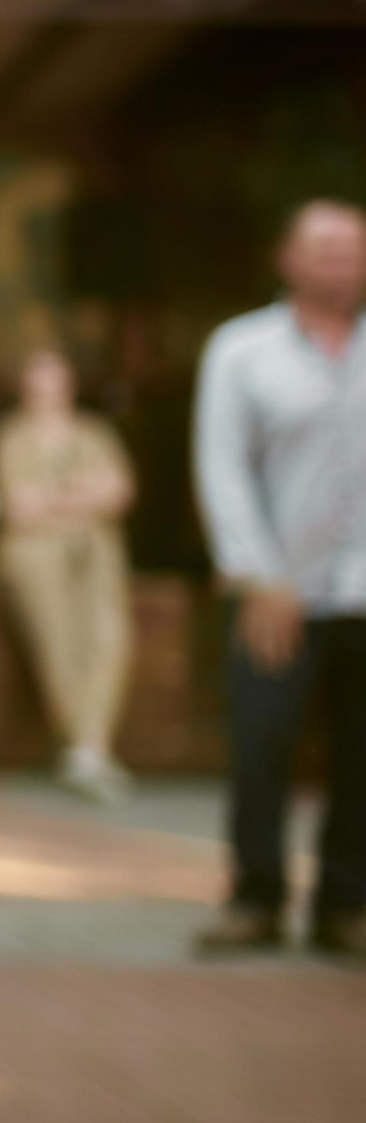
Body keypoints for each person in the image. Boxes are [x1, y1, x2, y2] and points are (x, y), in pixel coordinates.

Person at [191, 199, 366, 960]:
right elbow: (222, 467)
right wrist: (259, 575)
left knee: (362, 756)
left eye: (354, 249)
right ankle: (255, 897)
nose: (342, 262)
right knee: (262, 743)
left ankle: (347, 905)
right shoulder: (242, 350)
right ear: (287, 259)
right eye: (325, 248)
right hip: (276, 589)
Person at [0, 348, 138, 803]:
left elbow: (118, 492)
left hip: (95, 554)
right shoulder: (12, 435)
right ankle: (88, 749)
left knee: (108, 638)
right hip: (35, 557)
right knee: (58, 643)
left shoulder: (93, 432)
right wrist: (81, 496)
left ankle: (86, 749)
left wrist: (52, 499)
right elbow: (18, 507)